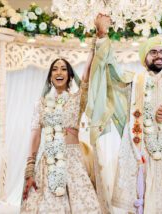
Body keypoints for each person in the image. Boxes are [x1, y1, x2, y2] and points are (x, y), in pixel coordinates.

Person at [86, 14, 162, 214]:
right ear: (144, 58)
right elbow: (110, 71)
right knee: (138, 205)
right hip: (138, 153)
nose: (159, 55)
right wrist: (102, 37)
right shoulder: (134, 82)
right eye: (153, 52)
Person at [21, 51, 101, 213]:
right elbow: (35, 136)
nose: (59, 72)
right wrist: (30, 168)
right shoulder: (41, 104)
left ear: (70, 75)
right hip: (49, 163)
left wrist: (94, 47)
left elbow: (87, 77)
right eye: (55, 69)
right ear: (50, 76)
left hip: (73, 161)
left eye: (64, 69)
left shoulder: (77, 99)